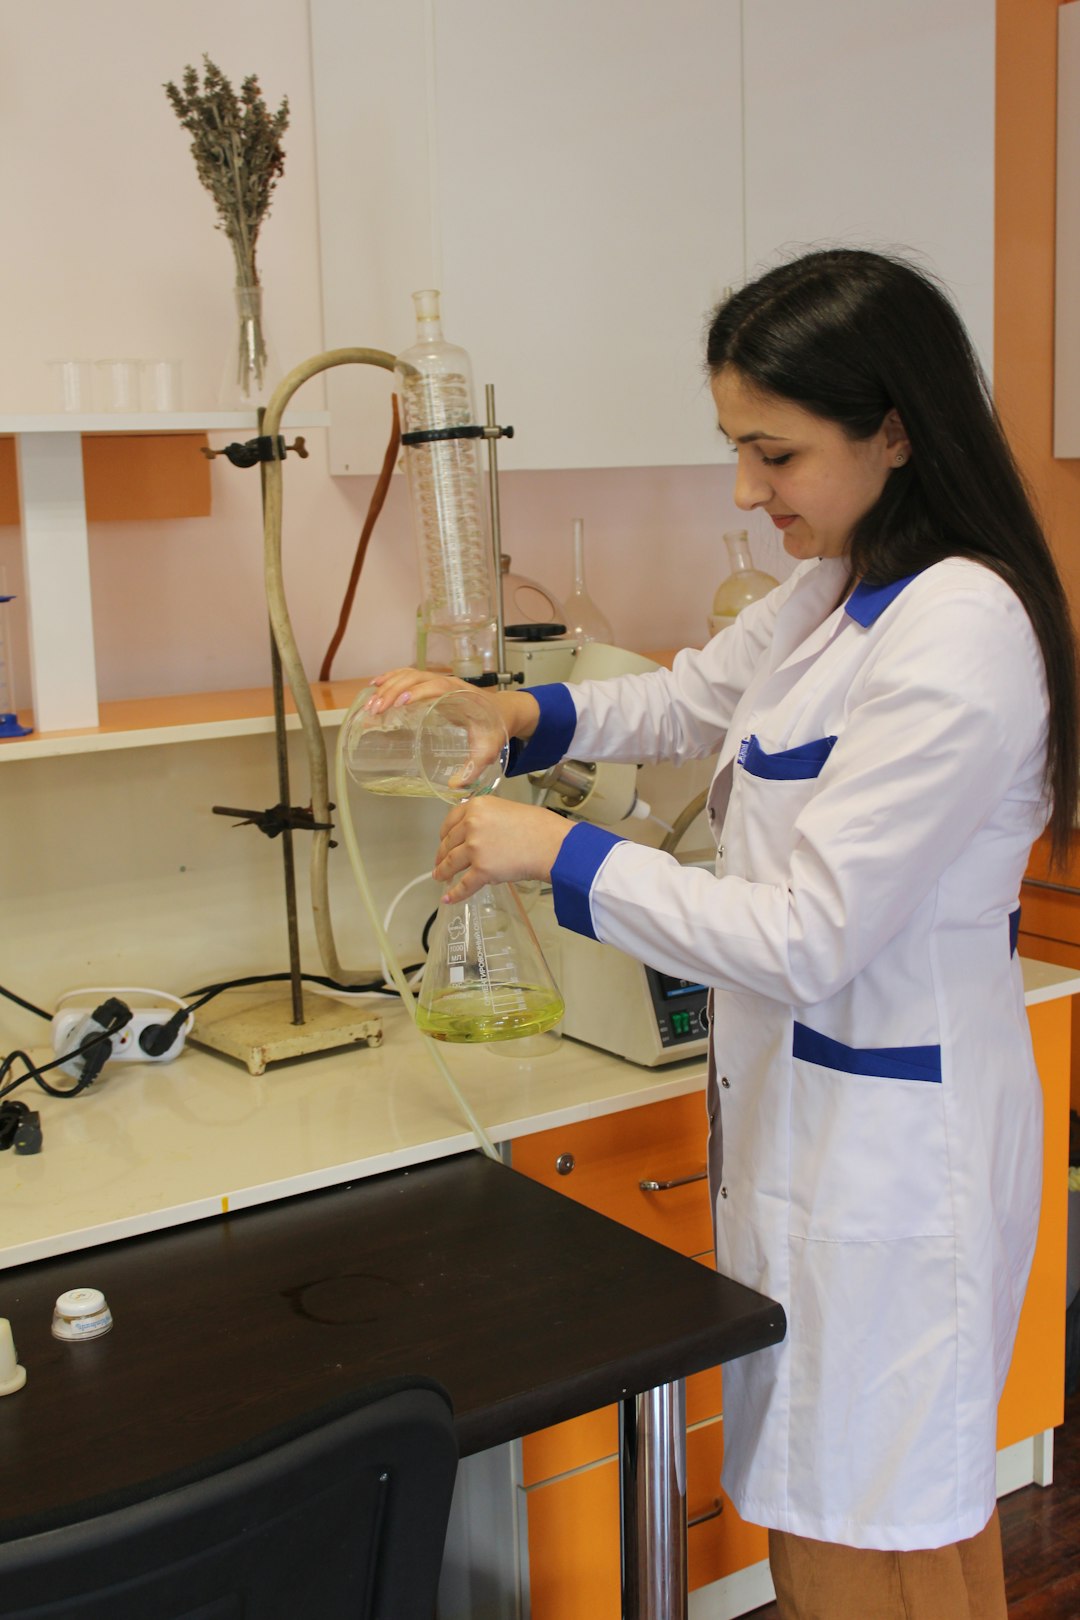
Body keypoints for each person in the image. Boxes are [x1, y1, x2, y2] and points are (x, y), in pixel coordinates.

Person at [370, 248, 1078, 1620]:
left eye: (775, 453)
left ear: (894, 431)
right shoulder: (841, 586)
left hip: (895, 1165)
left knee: (884, 1529)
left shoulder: (961, 629)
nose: (748, 492)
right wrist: (518, 714)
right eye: (736, 449)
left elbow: (812, 936)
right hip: (815, 1139)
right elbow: (690, 699)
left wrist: (562, 852)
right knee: (845, 1509)